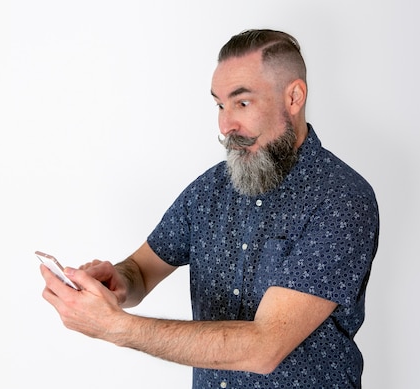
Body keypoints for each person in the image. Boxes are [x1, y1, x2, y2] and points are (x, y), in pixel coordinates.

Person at [40, 29, 379, 388]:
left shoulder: (341, 199)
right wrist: (117, 282)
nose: (224, 125)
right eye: (219, 104)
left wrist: (116, 327)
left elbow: (265, 347)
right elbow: (141, 269)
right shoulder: (211, 188)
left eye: (242, 103)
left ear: (293, 97)